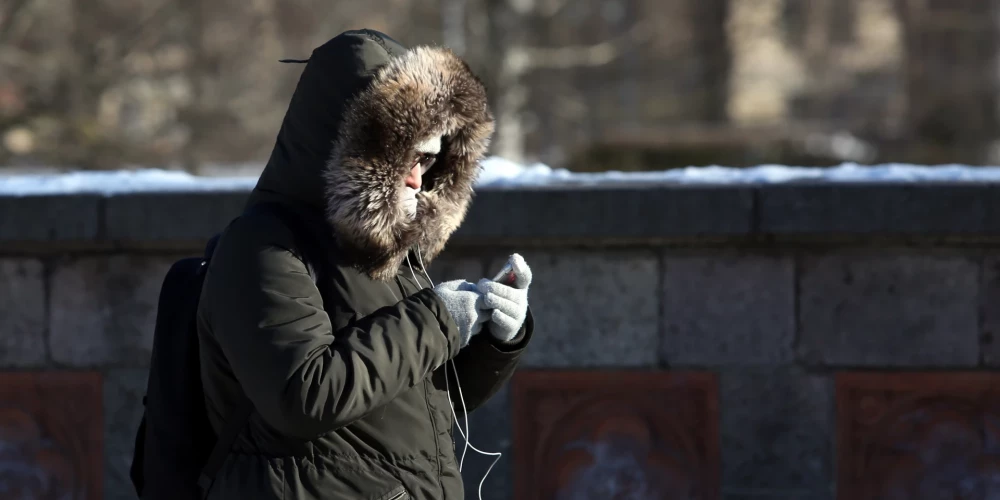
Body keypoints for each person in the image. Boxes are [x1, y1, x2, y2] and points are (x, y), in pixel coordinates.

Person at [195, 29, 534, 499]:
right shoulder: (261, 246)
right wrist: (438, 321)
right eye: (407, 157)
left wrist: (494, 338)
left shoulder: (387, 249)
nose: (419, 178)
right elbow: (304, 395)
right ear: (358, 148)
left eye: (430, 158)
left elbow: (419, 401)